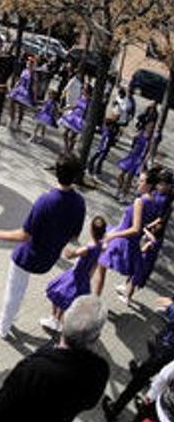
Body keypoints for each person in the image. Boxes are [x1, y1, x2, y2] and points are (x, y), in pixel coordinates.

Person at [0, 153, 86, 339]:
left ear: (56, 173)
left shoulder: (45, 200)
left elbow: (23, 235)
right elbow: (74, 235)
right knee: (18, 290)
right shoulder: (80, 202)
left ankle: (4, 326)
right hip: (48, 258)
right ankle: (11, 317)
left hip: (27, 256)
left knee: (14, 291)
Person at [103, 296, 174, 422]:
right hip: (166, 343)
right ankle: (145, 375)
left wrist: (170, 307)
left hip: (168, 349)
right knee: (152, 361)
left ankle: (115, 409)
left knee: (138, 381)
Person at [95, 169, 158, 301]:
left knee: (100, 266)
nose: (137, 184)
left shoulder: (140, 201)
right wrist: (147, 233)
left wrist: (113, 235)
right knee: (100, 265)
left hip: (122, 239)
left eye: (141, 181)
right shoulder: (153, 201)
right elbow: (143, 225)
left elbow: (135, 228)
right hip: (130, 240)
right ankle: (94, 299)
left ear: (149, 185)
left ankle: (94, 300)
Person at [41, 216, 106, 332]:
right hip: (85, 277)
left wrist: (65, 244)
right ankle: (58, 320)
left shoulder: (87, 248)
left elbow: (69, 255)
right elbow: (96, 263)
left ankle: (54, 320)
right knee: (66, 298)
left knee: (59, 293)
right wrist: (90, 276)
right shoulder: (101, 246)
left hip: (75, 275)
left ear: (91, 230)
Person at [116, 124, 153, 203]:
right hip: (131, 156)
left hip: (138, 160)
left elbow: (148, 152)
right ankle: (119, 189)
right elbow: (133, 141)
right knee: (120, 175)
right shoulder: (140, 133)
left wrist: (144, 162)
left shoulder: (149, 141)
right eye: (148, 127)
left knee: (129, 179)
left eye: (151, 128)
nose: (149, 128)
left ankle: (124, 194)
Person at [7, 56, 37, 131]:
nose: (28, 63)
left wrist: (35, 97)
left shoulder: (34, 74)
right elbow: (20, 80)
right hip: (19, 89)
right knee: (11, 101)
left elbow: (35, 86)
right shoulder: (24, 70)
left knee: (21, 107)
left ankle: (19, 123)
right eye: (28, 62)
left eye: (30, 63)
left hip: (26, 91)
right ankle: (12, 119)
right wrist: (15, 86)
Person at [60, 84, 92, 153]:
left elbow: (88, 112)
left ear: (88, 90)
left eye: (84, 88)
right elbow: (75, 106)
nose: (83, 89)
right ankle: (66, 148)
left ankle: (69, 151)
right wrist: (65, 108)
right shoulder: (81, 97)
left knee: (72, 137)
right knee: (64, 133)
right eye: (83, 88)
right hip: (73, 116)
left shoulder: (90, 101)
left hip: (80, 119)